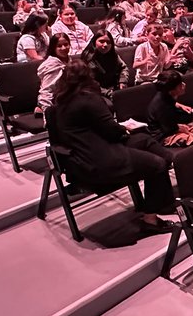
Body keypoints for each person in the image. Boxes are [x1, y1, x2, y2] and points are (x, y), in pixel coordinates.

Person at [50, 60, 175, 234]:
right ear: (88, 76)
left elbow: (100, 128)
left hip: (88, 153)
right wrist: (124, 130)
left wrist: (123, 132)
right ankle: (150, 220)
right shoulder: (88, 98)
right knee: (157, 164)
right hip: (99, 161)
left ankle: (166, 200)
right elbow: (111, 131)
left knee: (145, 140)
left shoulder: (62, 99)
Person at [147, 69, 193, 147]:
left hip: (173, 126)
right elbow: (169, 128)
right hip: (164, 136)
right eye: (180, 85)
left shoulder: (167, 95)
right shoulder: (162, 106)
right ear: (171, 90)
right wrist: (184, 130)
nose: (184, 85)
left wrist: (180, 105)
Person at [82, 29, 127, 93]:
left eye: (108, 42)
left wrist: (122, 81)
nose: (105, 45)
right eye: (102, 41)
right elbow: (91, 83)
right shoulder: (88, 59)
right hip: (96, 92)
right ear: (94, 42)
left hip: (114, 89)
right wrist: (108, 92)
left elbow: (123, 68)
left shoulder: (113, 55)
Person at [36, 32, 71, 112]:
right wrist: (47, 113)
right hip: (56, 103)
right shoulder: (52, 65)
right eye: (59, 46)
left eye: (66, 44)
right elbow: (46, 92)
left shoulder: (69, 61)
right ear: (53, 48)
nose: (63, 48)